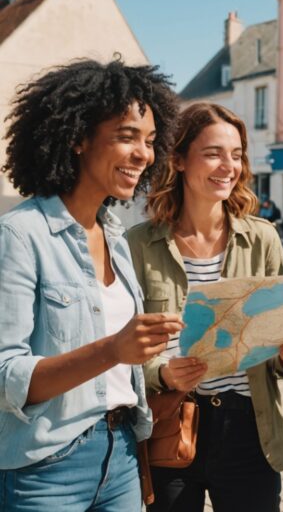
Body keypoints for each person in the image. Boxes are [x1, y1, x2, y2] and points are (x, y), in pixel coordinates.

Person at [0, 59, 183, 509]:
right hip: (45, 468)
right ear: (79, 137)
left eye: (150, 141)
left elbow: (129, 361)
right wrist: (113, 350)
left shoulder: (117, 238)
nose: (144, 154)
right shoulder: (20, 236)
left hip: (122, 456)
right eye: (127, 136)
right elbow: (6, 376)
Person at [127, 101, 283, 512]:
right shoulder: (138, 245)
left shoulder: (264, 239)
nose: (228, 166)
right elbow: (122, 348)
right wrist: (161, 372)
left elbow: (281, 350)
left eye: (236, 155)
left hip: (250, 429)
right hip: (171, 424)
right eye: (214, 153)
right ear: (178, 159)